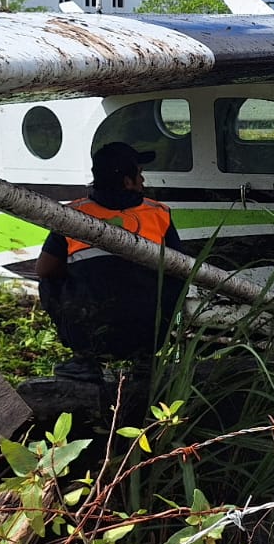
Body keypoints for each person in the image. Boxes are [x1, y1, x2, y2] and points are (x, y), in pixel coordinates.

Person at [35, 142, 183, 381]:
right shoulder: (159, 213)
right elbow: (180, 270)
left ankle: (85, 359)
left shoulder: (73, 215)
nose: (142, 181)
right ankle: (145, 359)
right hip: (145, 331)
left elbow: (44, 269)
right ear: (127, 182)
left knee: (47, 281)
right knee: (174, 279)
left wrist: (86, 269)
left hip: (93, 333)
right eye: (139, 175)